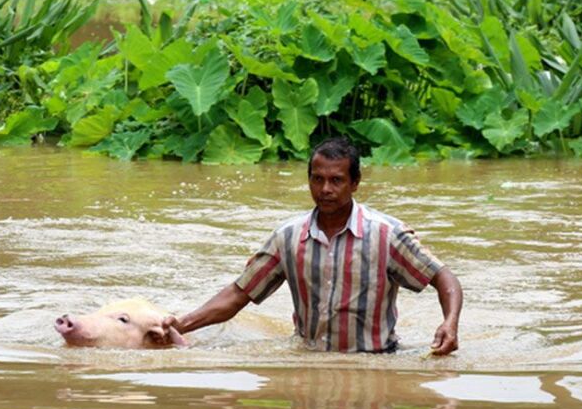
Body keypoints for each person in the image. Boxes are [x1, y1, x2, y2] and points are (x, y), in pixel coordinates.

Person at [165, 137, 463, 354]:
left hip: (375, 360)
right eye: (317, 179)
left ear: (355, 183)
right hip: (309, 359)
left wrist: (450, 323)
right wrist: (180, 326)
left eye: (336, 180)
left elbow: (443, 277)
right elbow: (238, 294)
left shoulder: (387, 236)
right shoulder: (288, 237)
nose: (325, 190)